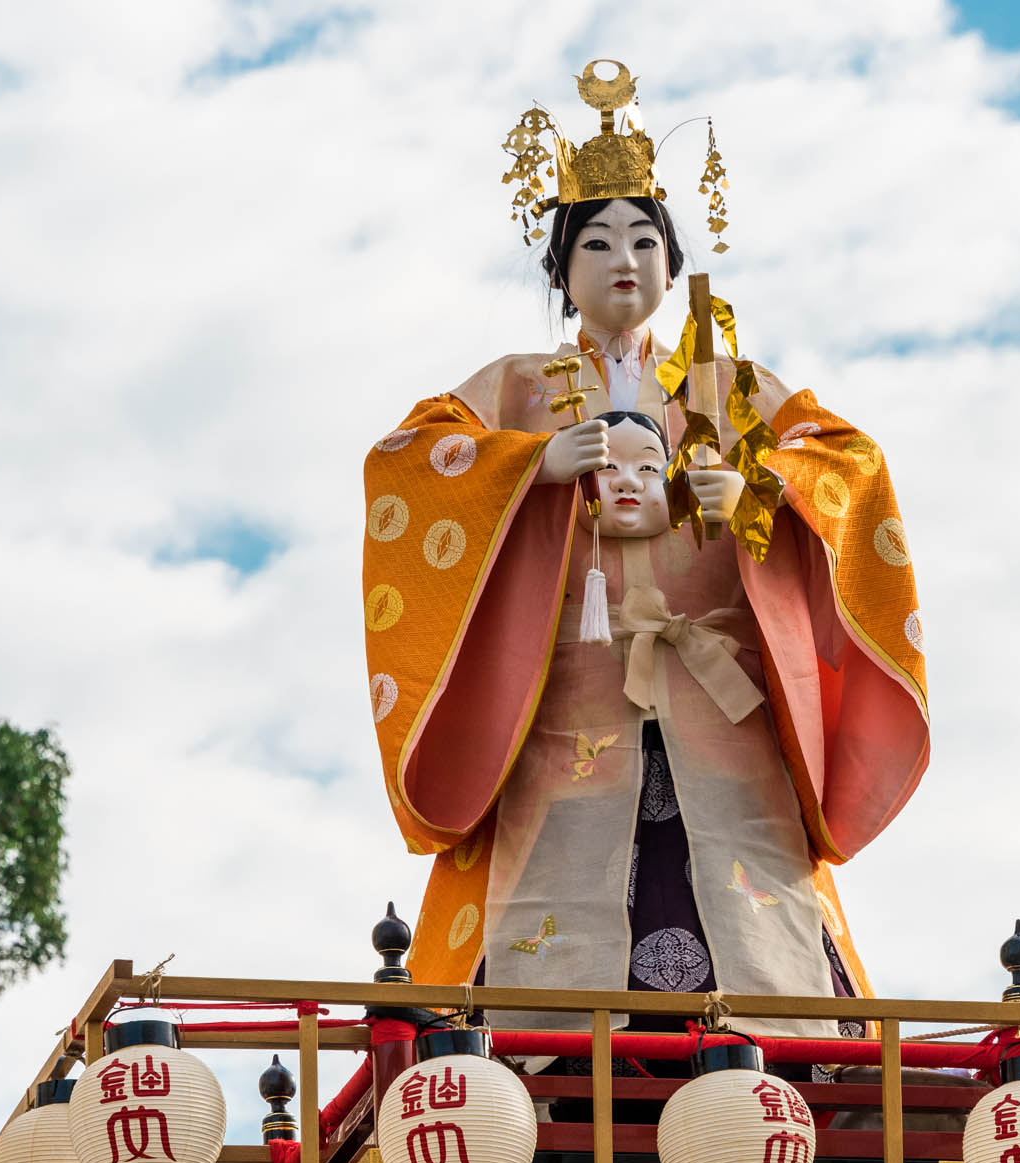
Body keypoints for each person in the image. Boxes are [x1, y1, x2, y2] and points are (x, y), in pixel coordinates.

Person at [360, 63, 928, 1041]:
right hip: (561, 708)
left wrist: (760, 491)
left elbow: (848, 464)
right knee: (548, 933)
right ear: (562, 271)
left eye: (642, 240)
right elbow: (409, 463)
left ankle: (783, 1059)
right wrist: (528, 465)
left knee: (753, 925)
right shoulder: (515, 391)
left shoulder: (732, 389)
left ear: (670, 265)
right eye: (596, 242)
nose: (622, 257)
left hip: (718, 712)